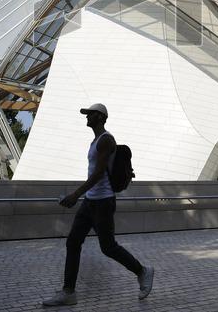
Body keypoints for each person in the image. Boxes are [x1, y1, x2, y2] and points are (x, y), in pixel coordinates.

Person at [43, 103, 154, 306]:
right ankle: (68, 292)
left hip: (103, 202)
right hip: (90, 201)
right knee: (73, 242)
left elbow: (98, 173)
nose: (87, 117)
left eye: (91, 114)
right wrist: (83, 196)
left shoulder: (106, 140)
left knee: (108, 247)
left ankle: (142, 271)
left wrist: (75, 195)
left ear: (101, 117)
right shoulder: (95, 141)